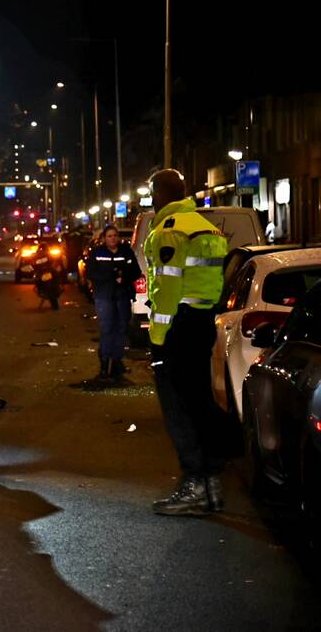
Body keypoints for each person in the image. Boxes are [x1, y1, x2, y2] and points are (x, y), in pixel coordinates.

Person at [144, 169, 229, 516]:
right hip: (202, 322)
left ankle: (194, 483)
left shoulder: (171, 229)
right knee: (199, 401)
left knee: (178, 407)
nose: (151, 198)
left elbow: (167, 289)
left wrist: (158, 337)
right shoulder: (204, 226)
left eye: (152, 191)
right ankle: (211, 484)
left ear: (161, 192)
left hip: (177, 328)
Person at [86, 225, 140, 380]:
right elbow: (91, 273)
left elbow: (136, 271)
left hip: (122, 295)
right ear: (104, 238)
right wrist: (110, 276)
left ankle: (117, 362)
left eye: (115, 235)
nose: (113, 238)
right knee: (107, 329)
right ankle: (104, 364)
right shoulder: (98, 253)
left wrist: (124, 278)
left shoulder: (126, 252)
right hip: (104, 296)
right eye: (109, 236)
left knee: (121, 329)